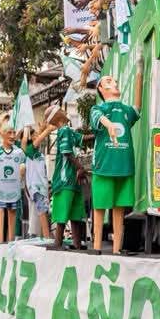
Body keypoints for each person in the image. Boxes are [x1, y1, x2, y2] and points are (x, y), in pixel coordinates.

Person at [90, 73, 143, 255]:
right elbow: (99, 118)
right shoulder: (99, 108)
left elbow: (137, 108)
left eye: (114, 80)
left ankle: (116, 249)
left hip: (124, 165)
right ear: (101, 89)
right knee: (100, 207)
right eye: (108, 81)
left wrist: (139, 74)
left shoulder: (126, 111)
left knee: (119, 209)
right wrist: (109, 124)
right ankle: (96, 247)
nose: (114, 83)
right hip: (104, 166)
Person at [47, 107, 88, 250]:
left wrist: (100, 133)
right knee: (65, 212)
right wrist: (80, 168)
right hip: (66, 177)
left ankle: (70, 243)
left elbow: (82, 139)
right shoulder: (64, 130)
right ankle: (59, 242)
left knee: (72, 212)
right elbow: (67, 153)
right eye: (62, 111)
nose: (65, 113)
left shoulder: (69, 131)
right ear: (58, 117)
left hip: (70, 178)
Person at [0, 125, 26, 243]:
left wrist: (22, 169)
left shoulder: (18, 152)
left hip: (13, 191)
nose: (12, 136)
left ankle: (11, 241)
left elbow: (23, 164)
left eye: (14, 133)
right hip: (0, 190)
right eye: (9, 133)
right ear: (2, 135)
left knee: (12, 212)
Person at [22, 126, 51, 238]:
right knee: (42, 211)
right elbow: (33, 140)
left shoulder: (40, 154)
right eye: (35, 136)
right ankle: (47, 237)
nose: (38, 137)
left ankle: (43, 235)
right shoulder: (30, 151)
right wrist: (48, 130)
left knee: (43, 212)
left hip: (42, 186)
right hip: (36, 187)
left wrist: (44, 126)